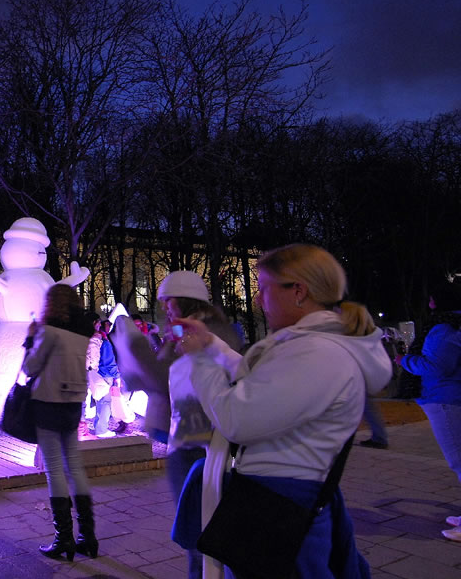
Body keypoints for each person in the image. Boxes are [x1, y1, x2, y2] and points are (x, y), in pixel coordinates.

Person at [174, 244, 390, 578]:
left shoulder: (317, 353)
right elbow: (262, 386)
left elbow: (237, 418)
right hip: (280, 501)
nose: (259, 300)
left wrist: (201, 361)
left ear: (299, 292)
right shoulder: (309, 347)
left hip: (279, 509)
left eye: (264, 288)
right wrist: (210, 346)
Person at [112, 271, 240, 579]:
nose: (165, 308)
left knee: (198, 531)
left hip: (199, 444)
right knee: (203, 529)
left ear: (184, 300)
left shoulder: (202, 334)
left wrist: (134, 347)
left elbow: (163, 378)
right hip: (190, 438)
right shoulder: (189, 331)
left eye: (169, 301)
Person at [22, 284, 95, 561]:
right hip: (74, 404)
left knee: (54, 469)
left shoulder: (48, 331)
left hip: (48, 403)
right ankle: (88, 536)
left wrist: (30, 339)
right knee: (75, 467)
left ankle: (63, 538)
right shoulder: (82, 333)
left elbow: (30, 368)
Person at [398, 281, 461, 541]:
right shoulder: (452, 326)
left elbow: (435, 367)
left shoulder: (444, 329)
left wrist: (404, 360)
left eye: (432, 298)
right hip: (450, 396)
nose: (429, 302)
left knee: (458, 460)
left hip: (444, 398)